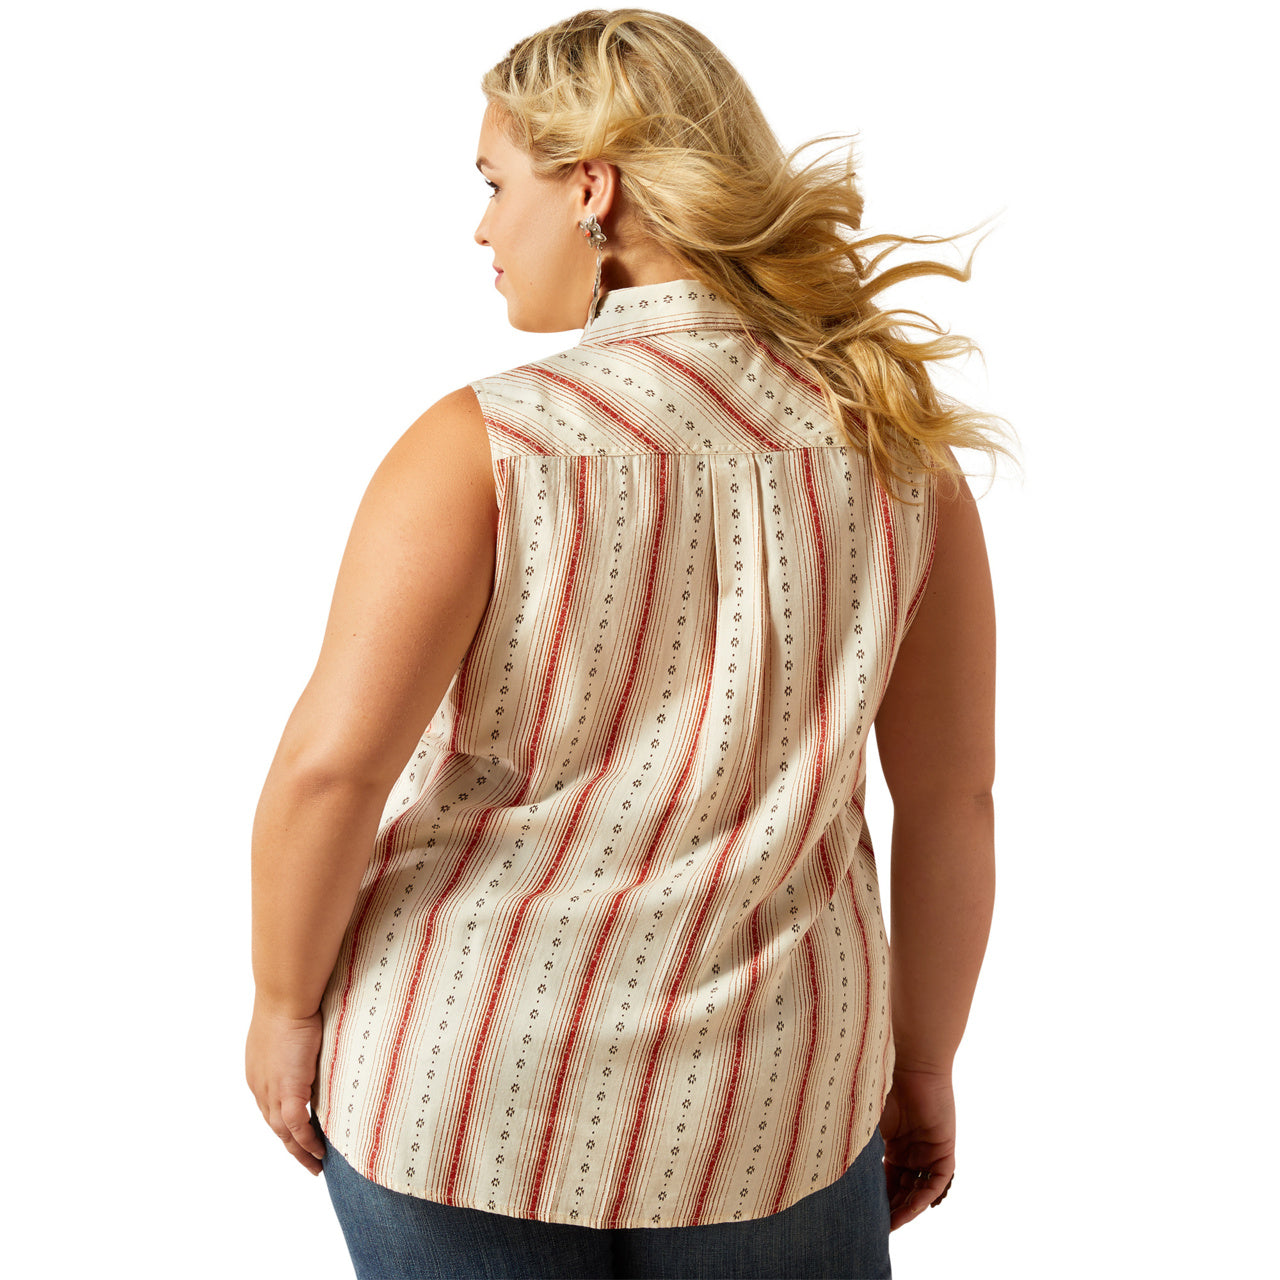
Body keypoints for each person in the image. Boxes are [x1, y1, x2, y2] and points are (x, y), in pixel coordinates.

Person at [245, 9, 1009, 1278]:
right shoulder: (896, 451)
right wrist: (923, 1059)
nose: (482, 229)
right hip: (774, 1097)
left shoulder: (485, 444)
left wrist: (281, 1004)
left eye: (495, 184)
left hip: (458, 1072)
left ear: (590, 188)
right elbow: (949, 799)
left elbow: (331, 769)